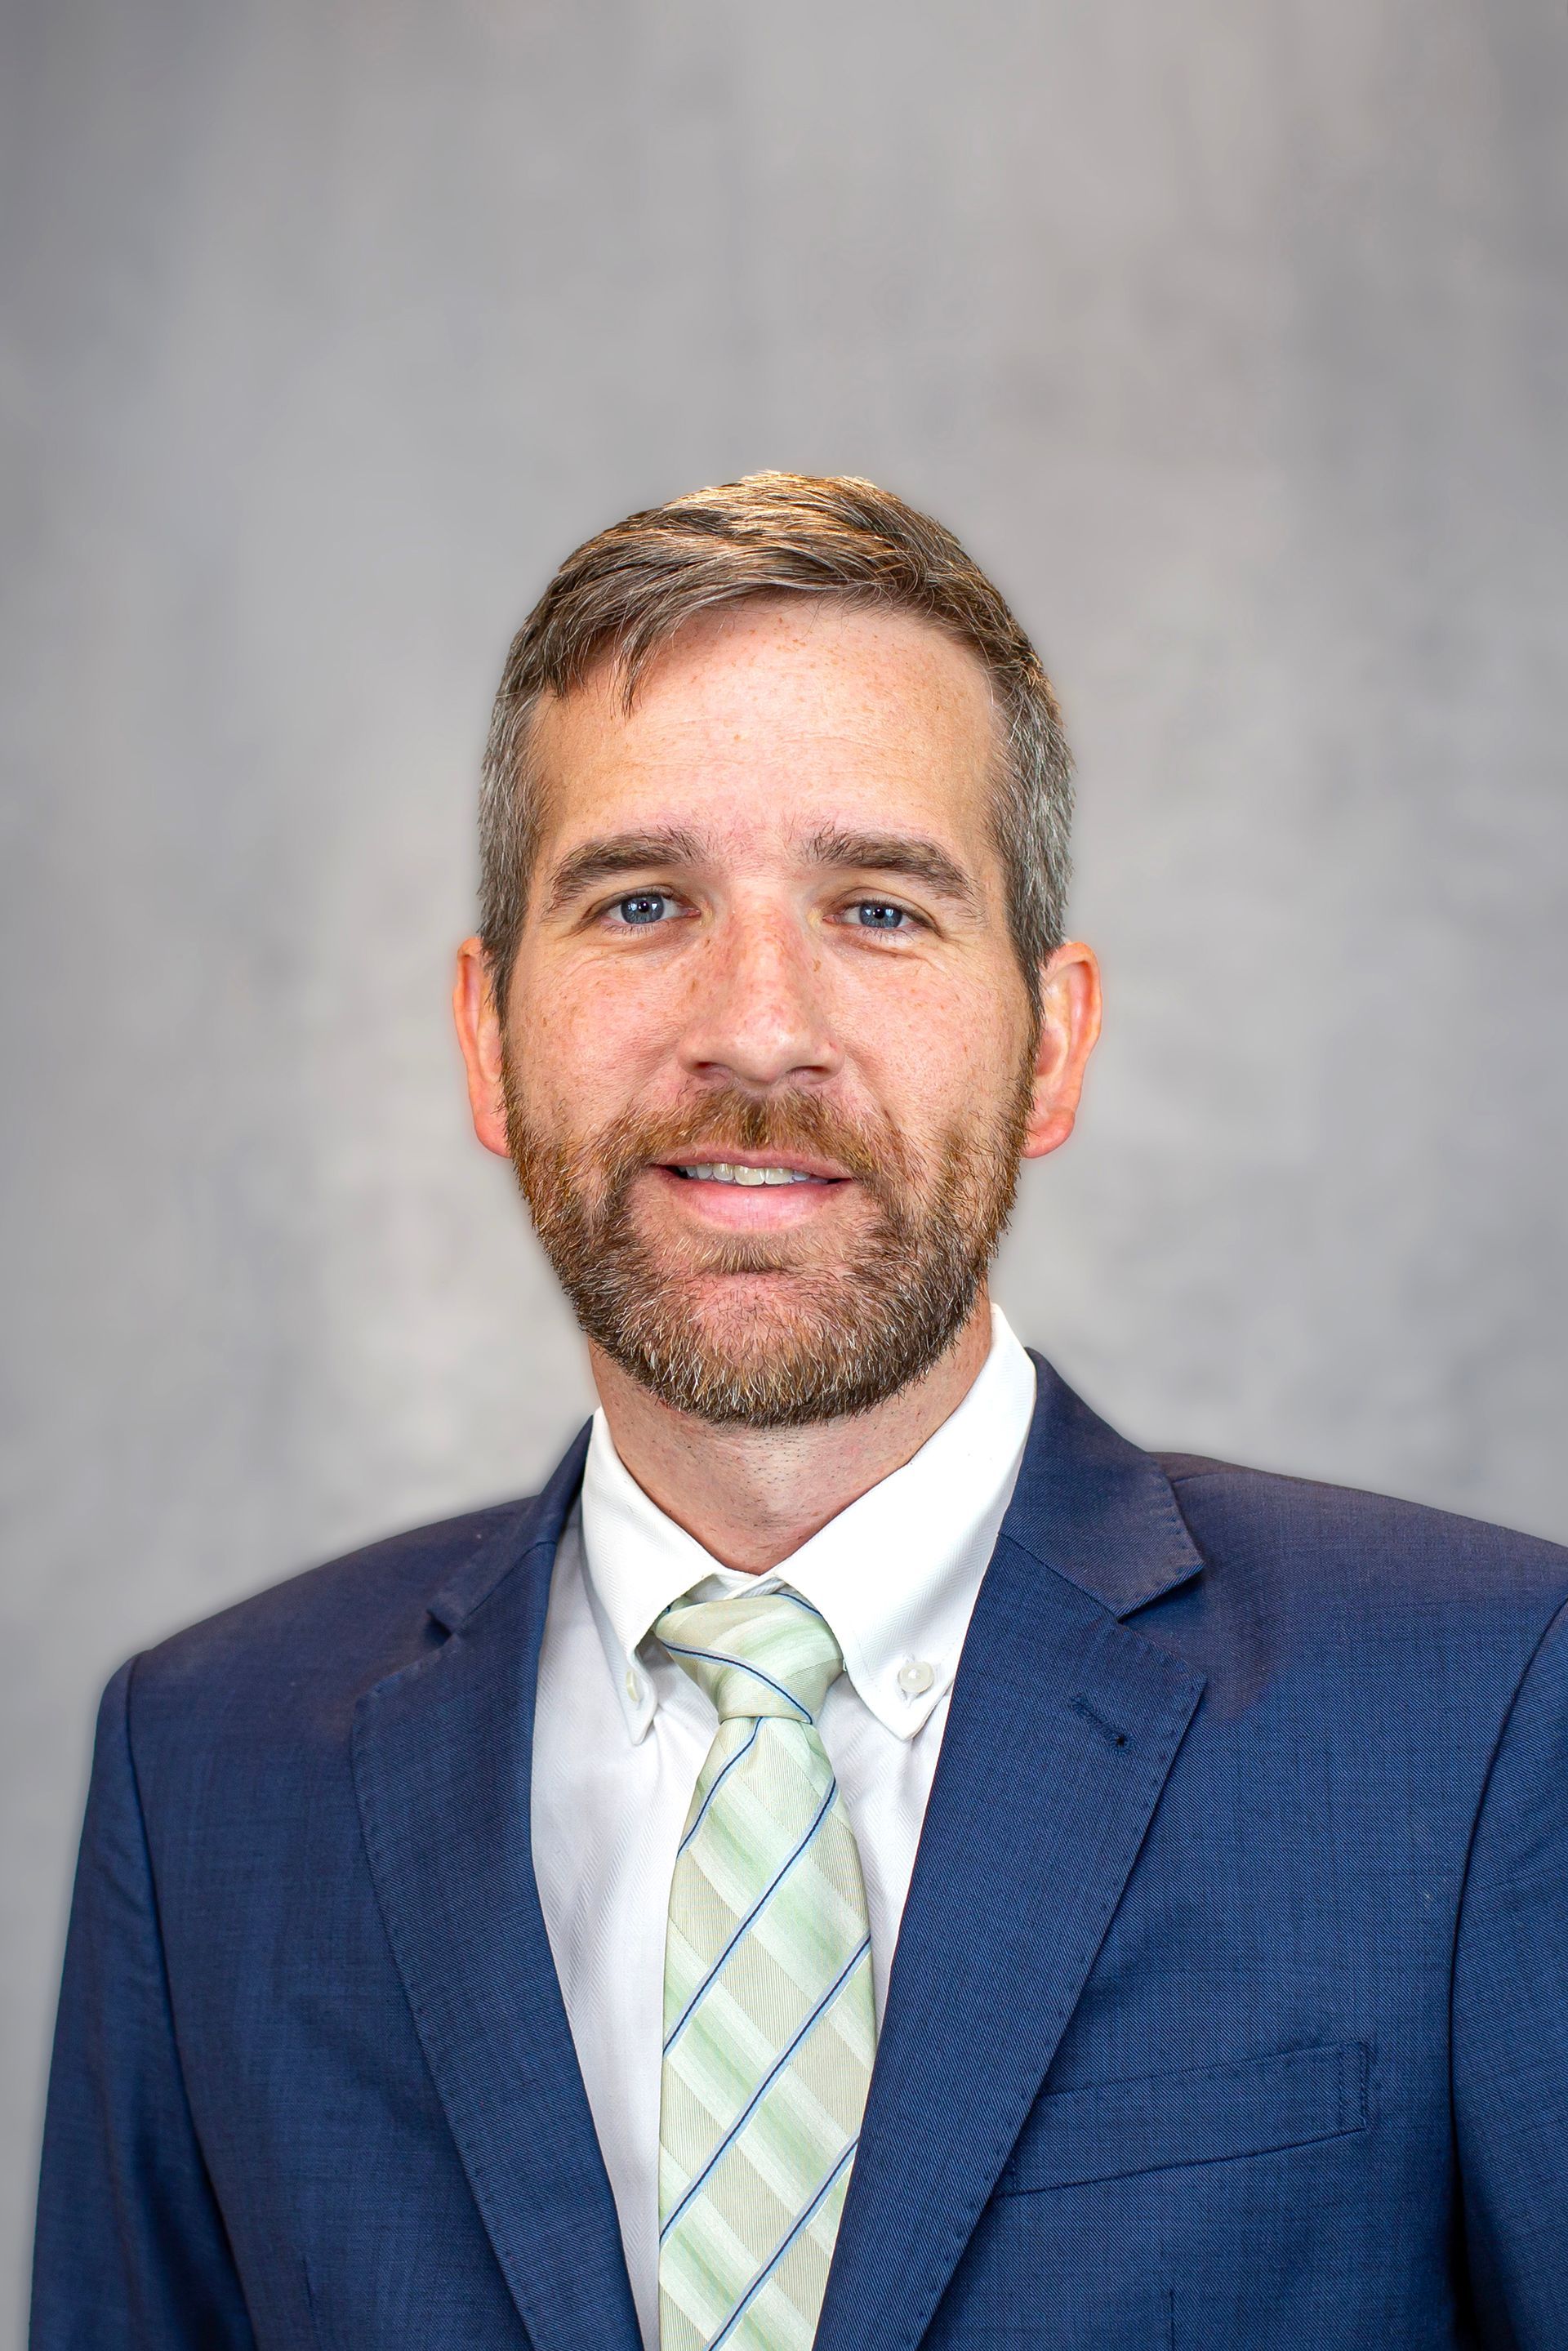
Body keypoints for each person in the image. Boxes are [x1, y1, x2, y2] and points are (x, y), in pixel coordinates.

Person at [30, 474, 1568, 2351]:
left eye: (879, 906)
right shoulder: (207, 1776)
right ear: (482, 1035)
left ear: (1054, 1042)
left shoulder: (1480, 1711)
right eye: (643, 899)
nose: (757, 1028)